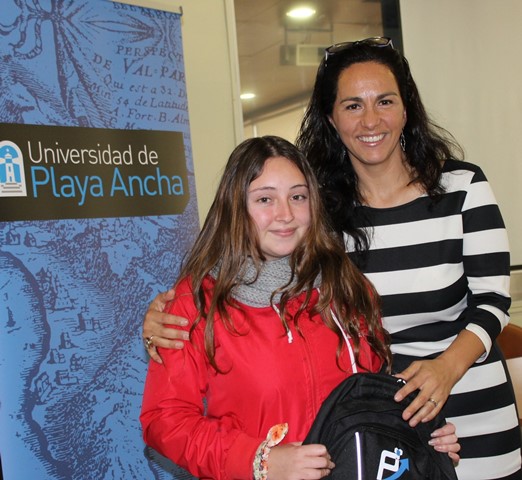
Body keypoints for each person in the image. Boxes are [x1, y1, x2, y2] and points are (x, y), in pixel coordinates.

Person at [142, 37, 514, 477]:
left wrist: (439, 387)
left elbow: (492, 301)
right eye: (353, 105)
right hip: (384, 417)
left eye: (385, 101)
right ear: (331, 118)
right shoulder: (325, 213)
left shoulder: (459, 189)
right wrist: (166, 318)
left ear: (406, 108)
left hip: (448, 407)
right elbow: (170, 414)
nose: (370, 119)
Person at [140, 136, 459, 480]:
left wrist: (421, 437)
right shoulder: (195, 303)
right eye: (265, 199)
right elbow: (165, 421)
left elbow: (370, 402)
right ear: (234, 207)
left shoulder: (347, 286)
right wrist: (259, 461)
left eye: (298, 196)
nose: (286, 215)